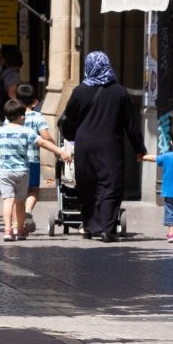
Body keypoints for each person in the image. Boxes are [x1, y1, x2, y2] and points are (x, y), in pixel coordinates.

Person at [59, 51, 145, 243]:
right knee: (110, 185)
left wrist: (71, 137)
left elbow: (69, 119)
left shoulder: (80, 91)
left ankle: (89, 226)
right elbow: (130, 124)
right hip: (110, 146)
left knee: (87, 184)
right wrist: (139, 148)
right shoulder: (119, 92)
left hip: (85, 146)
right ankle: (107, 228)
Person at [0, 99, 71, 242]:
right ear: (21, 117)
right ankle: (20, 230)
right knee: (20, 202)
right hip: (22, 171)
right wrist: (60, 152)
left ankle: (8, 231)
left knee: (8, 200)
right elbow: (43, 142)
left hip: (5, 172)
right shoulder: (26, 131)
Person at [15, 84, 50, 233]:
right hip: (33, 160)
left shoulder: (12, 116)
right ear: (35, 102)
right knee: (33, 189)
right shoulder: (37, 116)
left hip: (16, 161)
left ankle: (17, 222)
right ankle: (28, 210)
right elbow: (45, 136)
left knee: (18, 192)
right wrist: (55, 147)